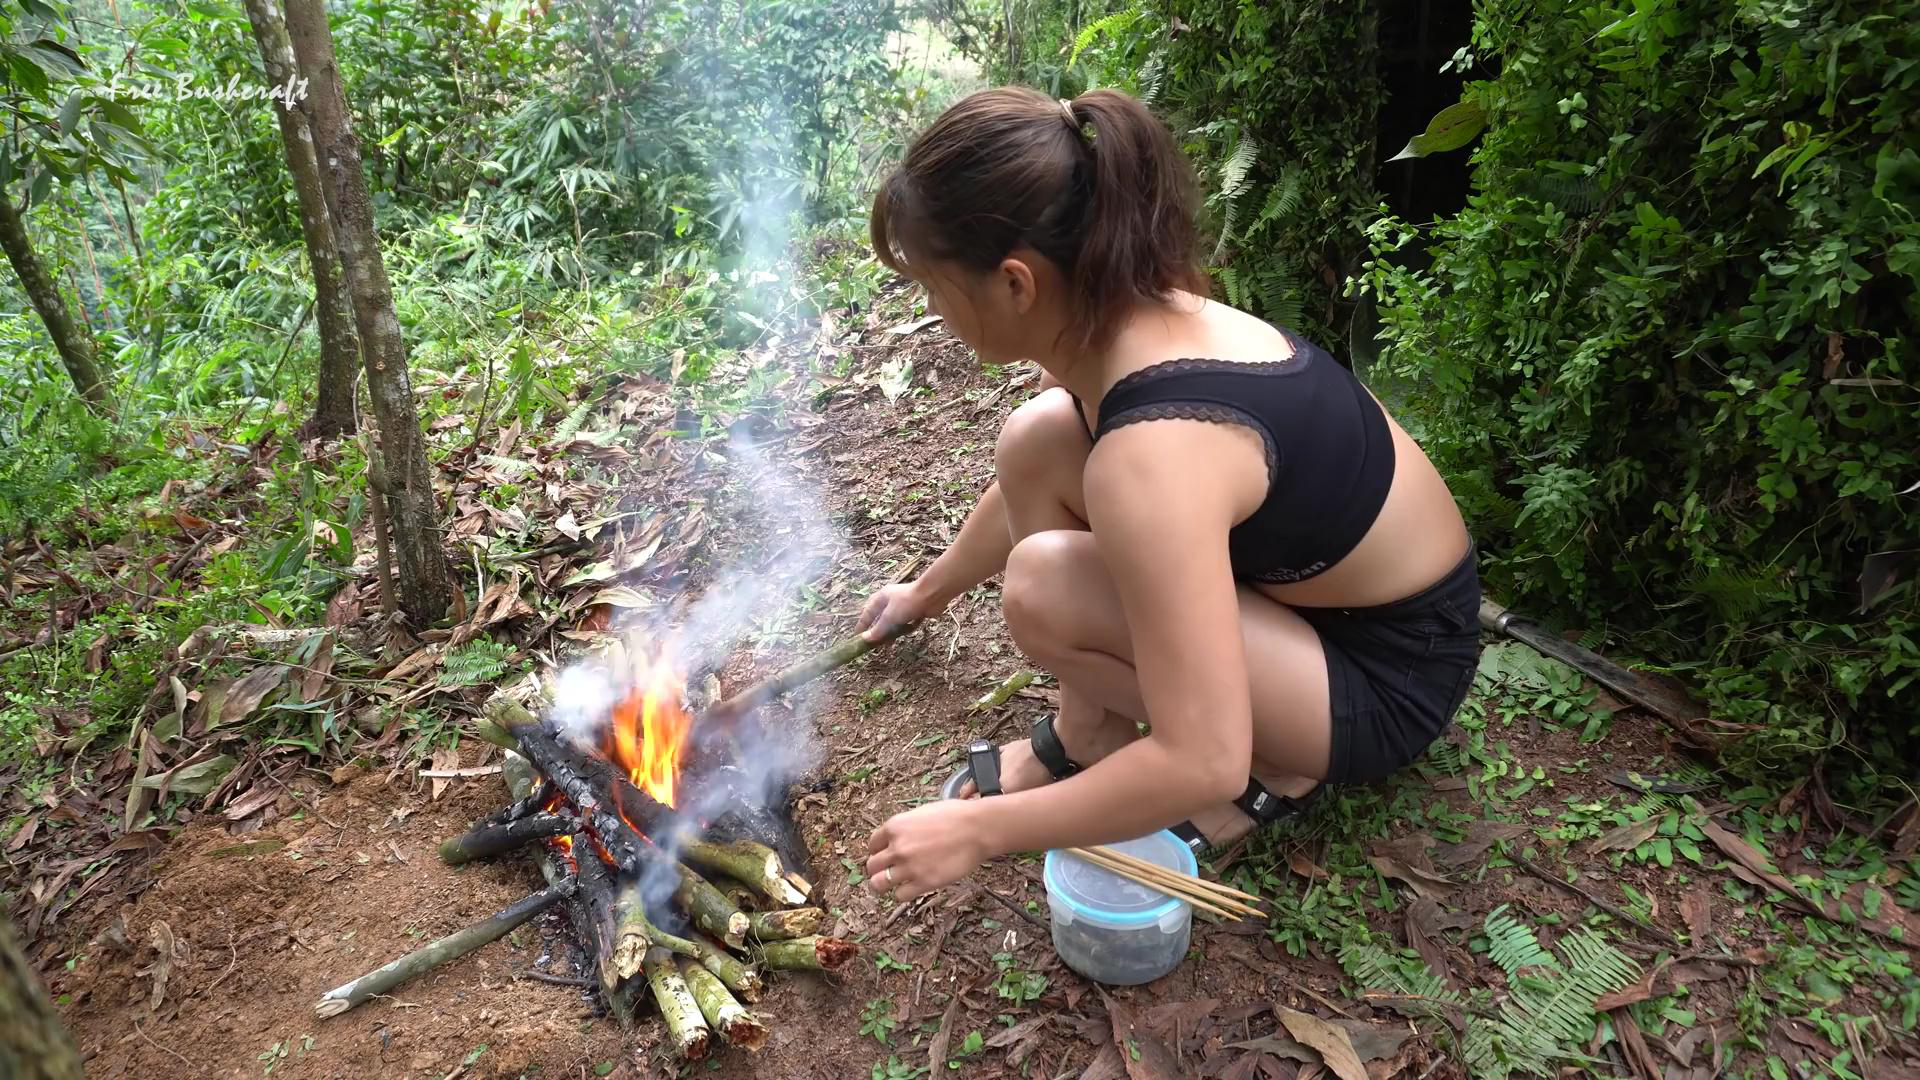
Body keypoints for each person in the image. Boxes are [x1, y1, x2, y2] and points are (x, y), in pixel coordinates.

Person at [855, 87, 1479, 904]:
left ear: (1015, 283)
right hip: (1322, 606)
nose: (934, 313)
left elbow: (1201, 757)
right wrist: (925, 594)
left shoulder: (1151, 455)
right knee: (1035, 439)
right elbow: (1025, 483)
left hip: (1385, 674)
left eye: (934, 287)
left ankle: (1284, 769)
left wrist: (975, 833)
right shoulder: (1124, 318)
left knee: (1044, 588)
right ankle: (1090, 732)